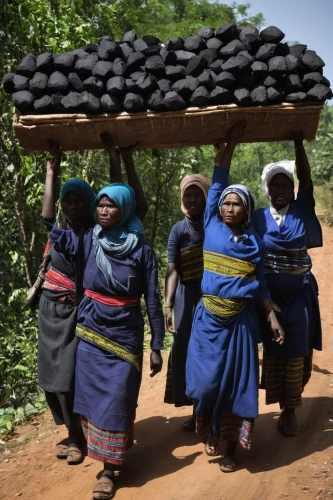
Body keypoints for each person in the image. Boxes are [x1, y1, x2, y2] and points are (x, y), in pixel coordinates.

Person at [50, 175, 165, 499]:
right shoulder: (87, 238)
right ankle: (108, 461)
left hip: (125, 336)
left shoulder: (142, 252)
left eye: (111, 204)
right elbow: (51, 223)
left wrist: (156, 345)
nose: (103, 210)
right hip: (91, 333)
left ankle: (108, 469)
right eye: (99, 203)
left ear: (125, 209)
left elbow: (152, 301)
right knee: (94, 402)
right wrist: (51, 171)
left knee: (119, 400)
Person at [185, 124, 284, 473]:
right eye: (225, 202)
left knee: (238, 387)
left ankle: (230, 447)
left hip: (240, 323)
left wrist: (271, 316)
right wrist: (229, 144)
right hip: (208, 319)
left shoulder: (254, 244)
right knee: (205, 382)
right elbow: (217, 180)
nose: (228, 207)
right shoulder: (210, 224)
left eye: (235, 204)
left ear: (246, 209)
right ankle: (210, 426)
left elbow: (260, 286)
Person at [253, 133, 322, 437]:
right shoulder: (257, 218)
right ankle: (280, 402)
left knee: (297, 349)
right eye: (274, 185)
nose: (280, 189)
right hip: (269, 298)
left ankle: (290, 409)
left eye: (285, 184)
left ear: (293, 189)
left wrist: (298, 144)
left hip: (300, 295)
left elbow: (306, 179)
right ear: (267, 189)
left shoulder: (302, 210)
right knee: (274, 348)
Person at [38, 143, 96, 464]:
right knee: (50, 376)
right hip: (50, 310)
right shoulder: (59, 230)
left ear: (87, 204)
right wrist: (51, 170)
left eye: (78, 200)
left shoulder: (93, 232)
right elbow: (48, 214)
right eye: (67, 200)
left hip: (78, 312)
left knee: (69, 376)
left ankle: (77, 438)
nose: (72, 205)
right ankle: (72, 431)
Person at [164, 173, 210, 429]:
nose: (192, 200)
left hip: (211, 297)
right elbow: (173, 270)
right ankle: (196, 411)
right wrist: (168, 304)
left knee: (209, 351)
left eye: (197, 194)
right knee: (185, 351)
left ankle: (210, 410)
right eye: (187, 195)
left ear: (206, 196)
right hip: (186, 297)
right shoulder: (179, 230)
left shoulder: (215, 224)